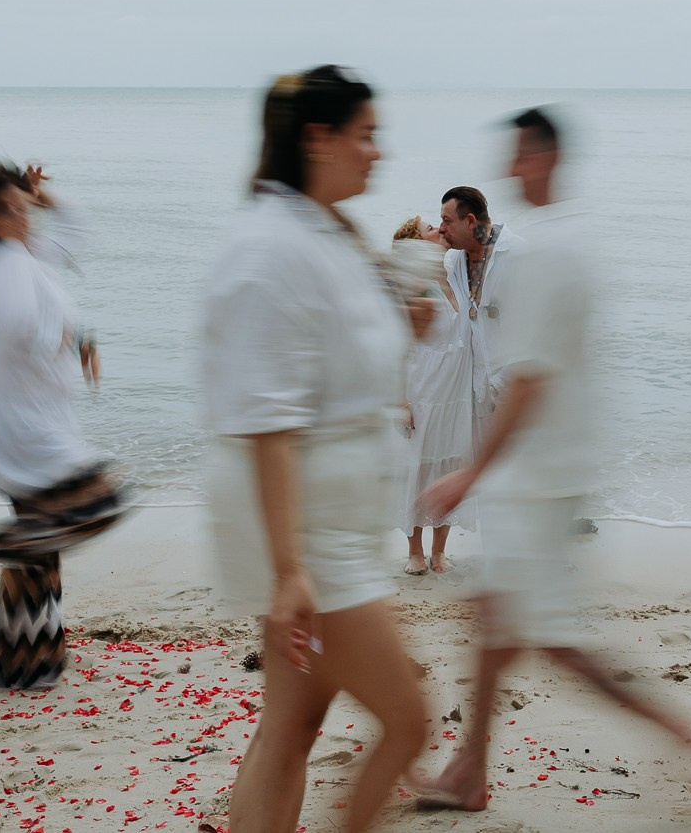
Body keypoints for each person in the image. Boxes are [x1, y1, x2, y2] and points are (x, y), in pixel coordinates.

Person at [414, 108, 691, 812]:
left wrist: (473, 472)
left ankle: (678, 732)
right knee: (497, 622)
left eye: (518, 156)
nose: (510, 170)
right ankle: (467, 770)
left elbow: (531, 377)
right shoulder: (578, 238)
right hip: (552, 466)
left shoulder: (544, 251)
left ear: (543, 158)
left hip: (535, 476)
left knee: (553, 637)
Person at [200, 67, 431, 833]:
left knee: (291, 727)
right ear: (316, 137)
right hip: (312, 539)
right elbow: (268, 418)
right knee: (407, 720)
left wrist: (407, 324)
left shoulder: (322, 231)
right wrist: (292, 569)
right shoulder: (270, 249)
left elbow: (337, 369)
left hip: (331, 524)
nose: (378, 151)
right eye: (365, 133)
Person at [0, 161, 123, 692]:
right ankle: (1, 548)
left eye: (25, 208)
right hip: (21, 425)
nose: (24, 218)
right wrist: (60, 339)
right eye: (13, 210)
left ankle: (20, 660)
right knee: (95, 504)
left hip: (34, 417)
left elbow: (82, 235)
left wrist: (46, 198)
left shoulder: (25, 255)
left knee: (41, 551)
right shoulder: (6, 261)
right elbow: (17, 325)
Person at [390, 216, 473, 575]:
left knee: (449, 465)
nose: (438, 230)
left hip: (456, 391)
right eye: (428, 229)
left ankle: (439, 552)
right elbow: (397, 346)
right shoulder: (413, 285)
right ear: (416, 243)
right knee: (418, 466)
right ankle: (414, 552)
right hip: (422, 389)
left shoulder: (457, 273)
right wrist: (401, 402)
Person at [441, 184, 514, 422]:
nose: (441, 229)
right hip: (473, 397)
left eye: (447, 220)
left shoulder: (518, 255)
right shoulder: (452, 261)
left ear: (470, 221)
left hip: (512, 392)